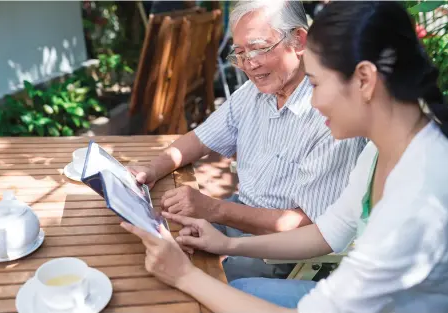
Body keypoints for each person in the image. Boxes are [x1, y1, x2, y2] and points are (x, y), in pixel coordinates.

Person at [121, 1, 448, 312]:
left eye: (317, 84)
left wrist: (184, 275)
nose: (314, 102)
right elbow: (327, 232)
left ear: (364, 80)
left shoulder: (416, 199)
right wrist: (227, 245)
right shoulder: (382, 149)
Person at [128, 0, 365, 282]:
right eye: (239, 53)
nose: (248, 65)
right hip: (240, 212)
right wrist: (152, 170)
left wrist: (215, 210)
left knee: (180, 282)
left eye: (258, 48)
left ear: (299, 40)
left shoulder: (331, 118)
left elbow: (310, 226)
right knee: (153, 237)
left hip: (283, 253)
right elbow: (201, 139)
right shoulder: (253, 93)